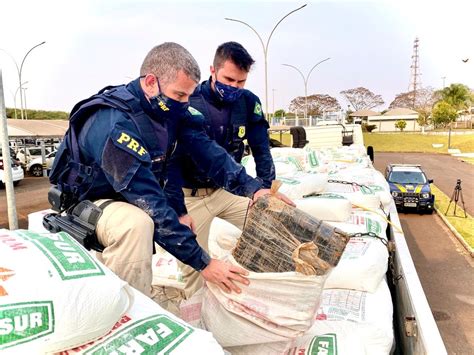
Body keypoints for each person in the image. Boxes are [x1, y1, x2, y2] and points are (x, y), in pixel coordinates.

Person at [47, 42, 290, 312]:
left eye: (188, 96)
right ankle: (128, 315)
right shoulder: (115, 123)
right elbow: (148, 199)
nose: (186, 103)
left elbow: (207, 153)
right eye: (180, 95)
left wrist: (254, 189)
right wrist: (204, 263)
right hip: (92, 200)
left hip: (130, 193)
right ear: (151, 82)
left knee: (159, 220)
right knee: (137, 224)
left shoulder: (167, 109)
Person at [165, 42, 280, 300]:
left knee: (272, 223)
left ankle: (264, 292)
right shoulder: (188, 101)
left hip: (227, 191)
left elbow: (261, 148)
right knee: (194, 268)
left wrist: (265, 188)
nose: (235, 87)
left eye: (241, 82)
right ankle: (198, 319)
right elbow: (170, 160)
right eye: (229, 79)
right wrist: (178, 210)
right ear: (213, 71)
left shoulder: (248, 103)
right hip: (190, 195)